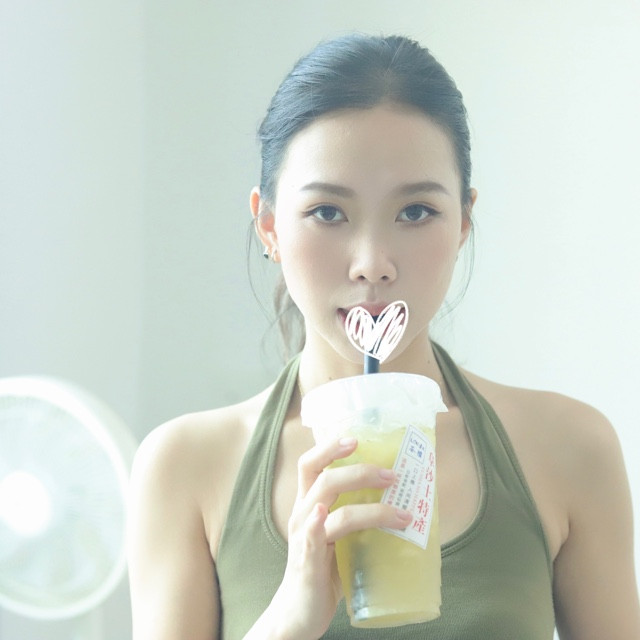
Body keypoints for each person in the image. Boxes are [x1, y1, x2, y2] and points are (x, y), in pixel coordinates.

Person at [127, 33, 640, 639]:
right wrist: (290, 619)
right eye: (327, 212)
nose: (372, 264)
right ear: (268, 226)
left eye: (416, 211)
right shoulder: (186, 466)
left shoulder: (568, 448)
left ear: (463, 223)